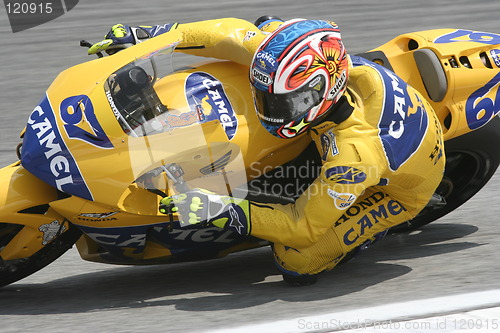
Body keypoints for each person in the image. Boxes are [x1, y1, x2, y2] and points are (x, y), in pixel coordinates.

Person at [90, 17, 445, 285]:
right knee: (267, 28)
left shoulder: (353, 157)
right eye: (265, 96)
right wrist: (150, 36)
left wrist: (227, 209)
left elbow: (300, 227)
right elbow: (226, 34)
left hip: (399, 187)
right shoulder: (298, 70)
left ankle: (363, 234)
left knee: (296, 260)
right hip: (361, 108)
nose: (267, 107)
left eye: (280, 102)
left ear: (320, 93)